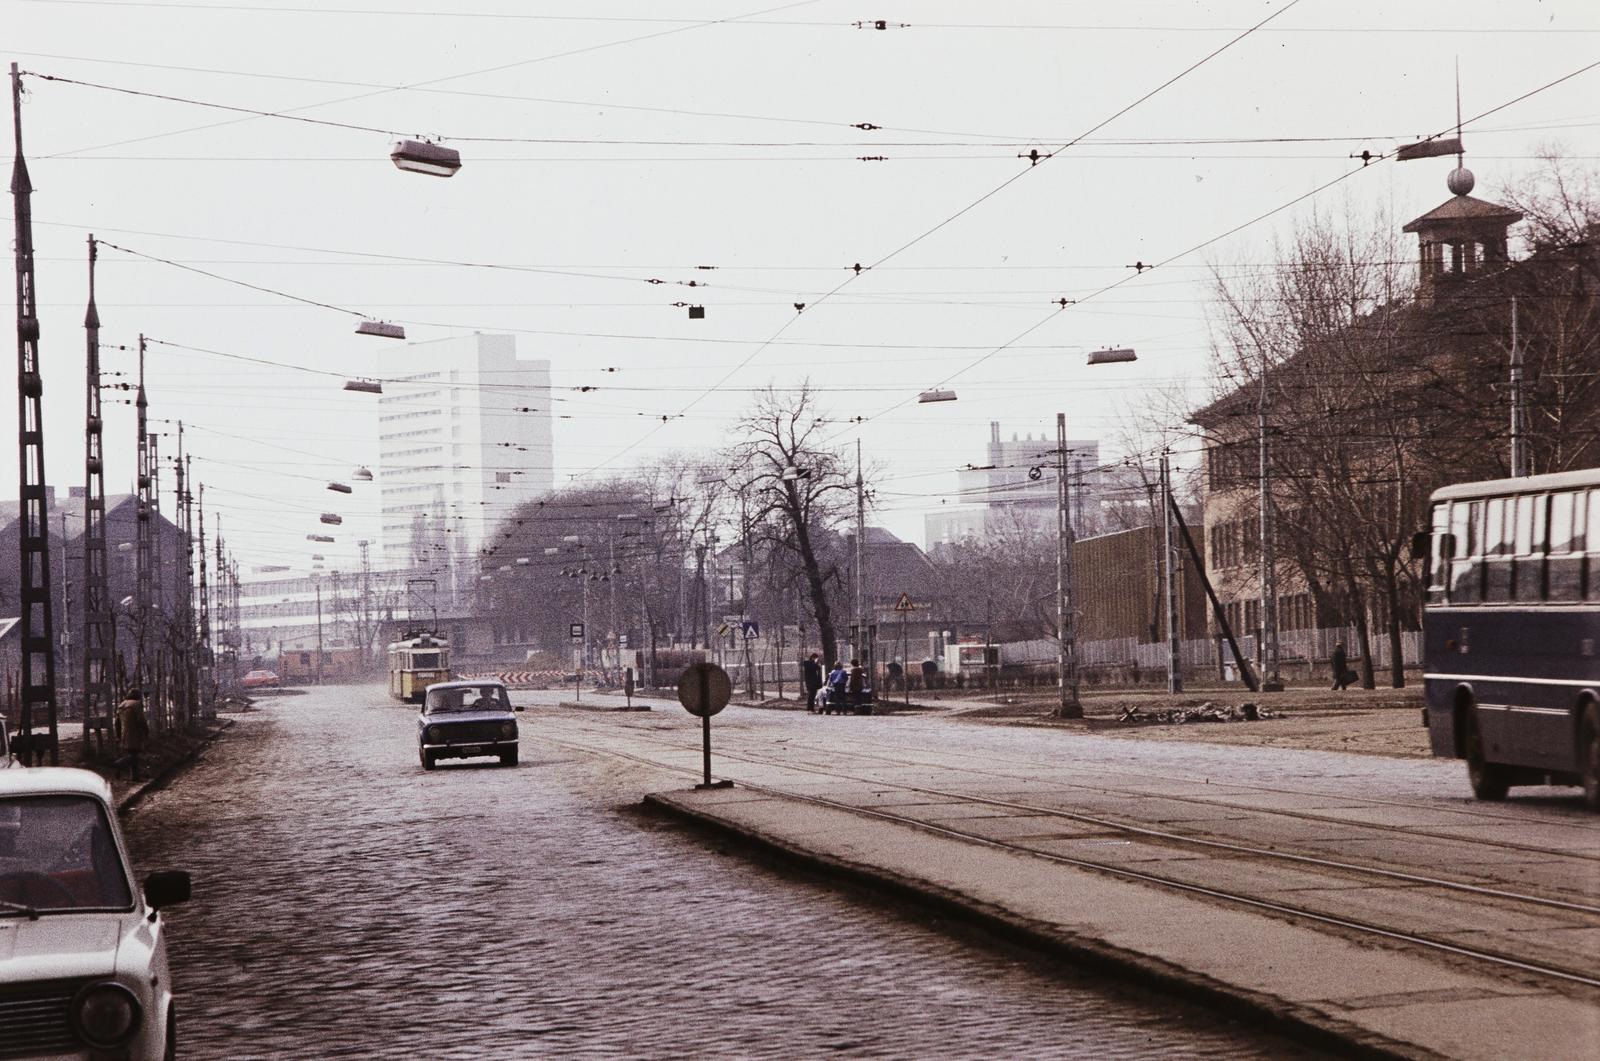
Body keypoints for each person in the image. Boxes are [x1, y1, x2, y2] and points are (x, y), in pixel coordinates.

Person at [116, 688, 151, 781]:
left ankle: (134, 777)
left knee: (132, 753)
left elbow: (117, 722)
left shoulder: (121, 705)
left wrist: (118, 735)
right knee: (134, 755)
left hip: (124, 732)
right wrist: (146, 731)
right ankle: (119, 763)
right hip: (134, 732)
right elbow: (141, 720)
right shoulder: (136, 704)